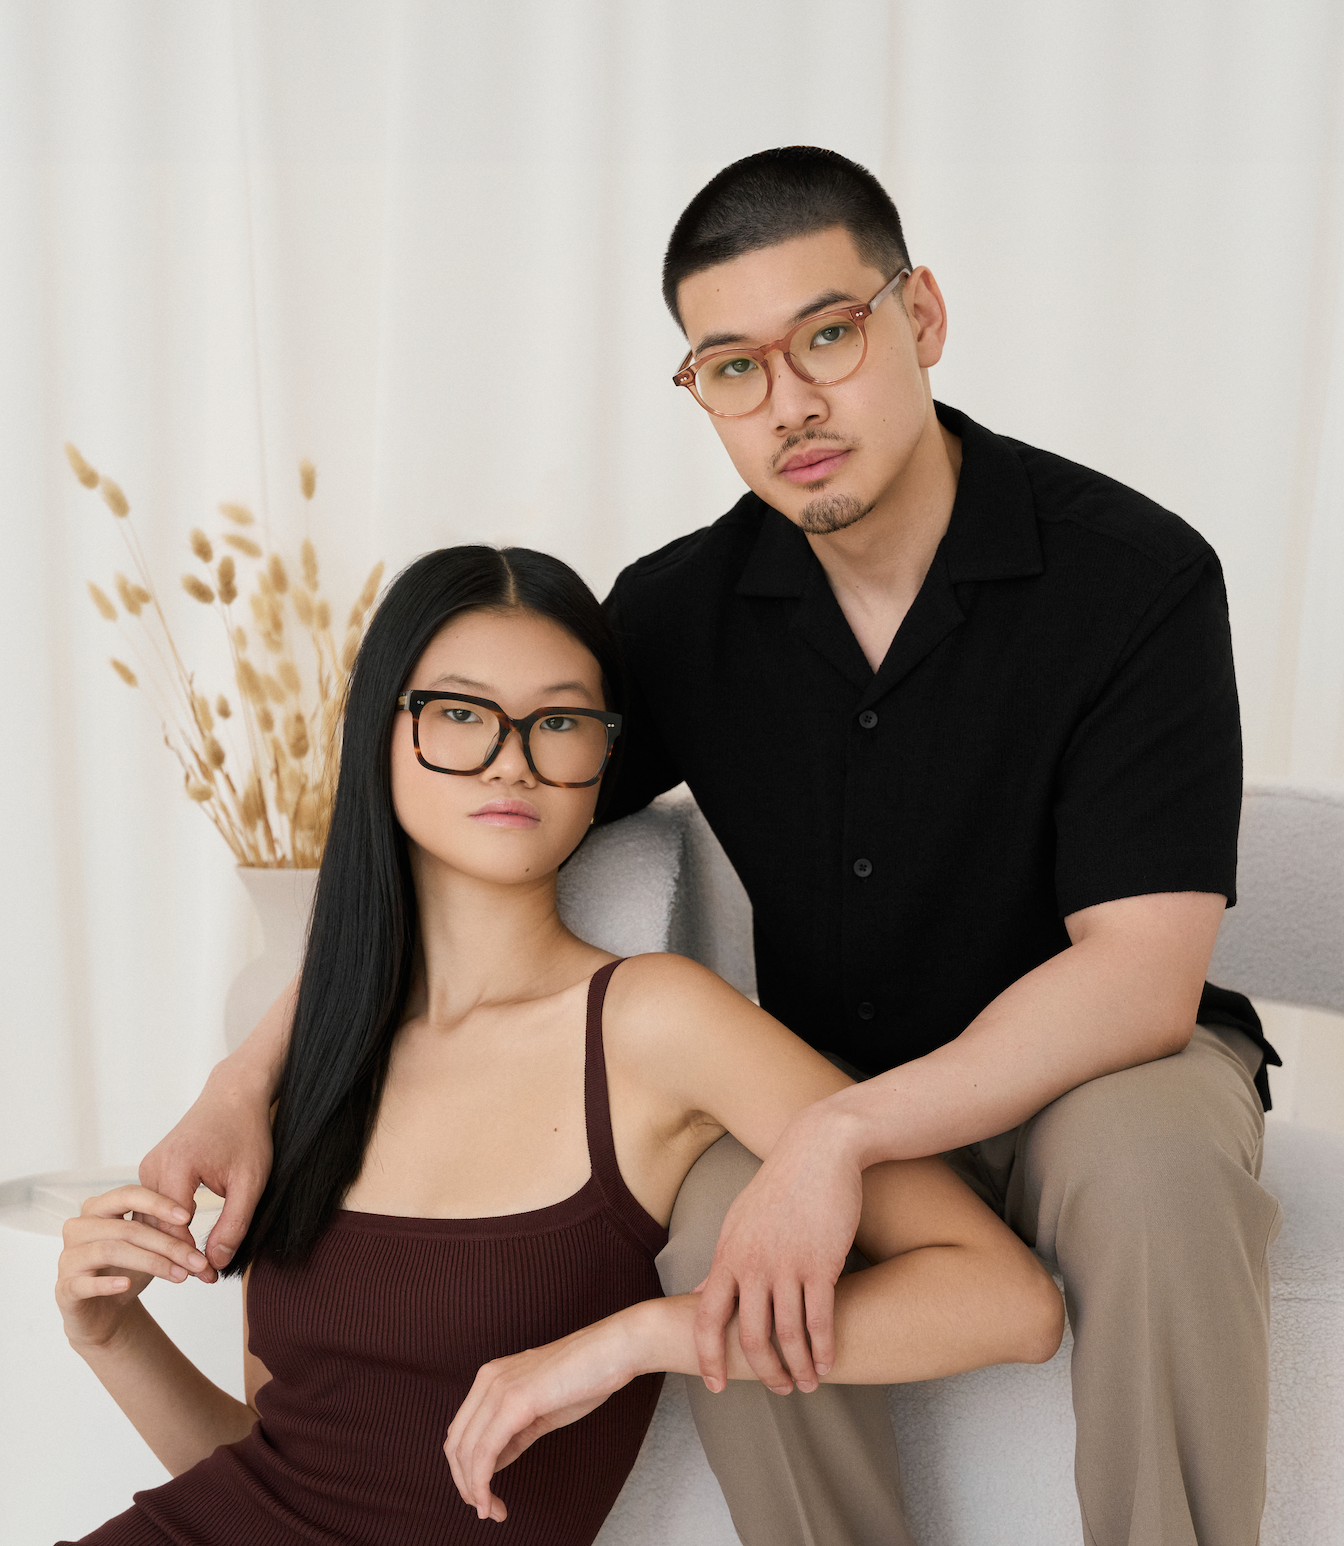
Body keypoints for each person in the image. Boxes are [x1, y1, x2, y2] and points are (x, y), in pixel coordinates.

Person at [140, 149, 1279, 1546]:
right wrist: (247, 1079)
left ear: (920, 316)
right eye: (732, 367)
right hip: (821, 1079)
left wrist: (844, 1133)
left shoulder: (1134, 574)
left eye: (828, 336)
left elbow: (1141, 978)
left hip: (1099, 1069)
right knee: (724, 1214)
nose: (789, 403)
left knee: (1154, 1171)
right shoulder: (681, 612)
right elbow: (449, 833)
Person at [55, 545, 1063, 1546]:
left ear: (602, 762)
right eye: (460, 713)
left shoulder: (653, 1021)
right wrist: (109, 1334)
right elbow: (279, 1475)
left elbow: (1009, 1301)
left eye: (561, 721)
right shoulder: (314, 1060)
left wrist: (641, 1340)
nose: (513, 758)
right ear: (380, 735)